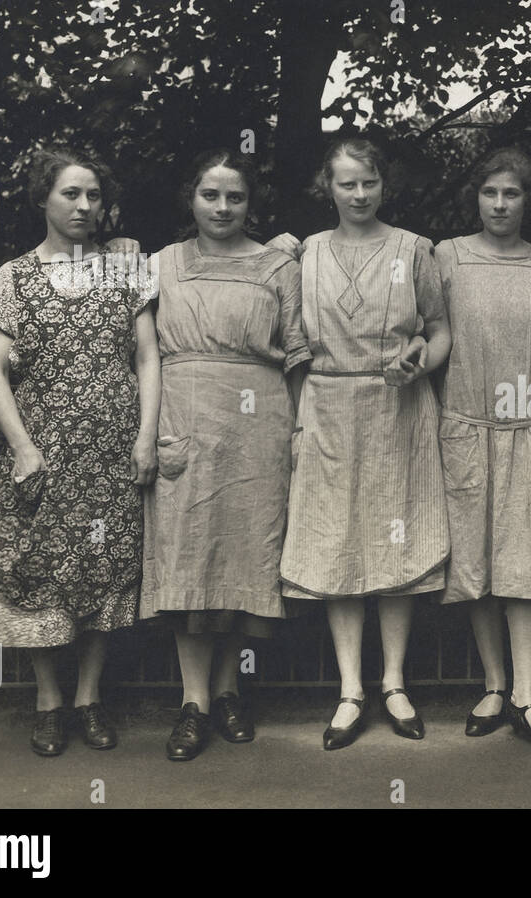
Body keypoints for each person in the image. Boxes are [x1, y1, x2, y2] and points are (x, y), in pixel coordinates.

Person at [0, 147, 159, 756]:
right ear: (43, 199)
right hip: (42, 456)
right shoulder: (14, 277)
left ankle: (89, 700)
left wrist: (146, 437)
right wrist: (23, 449)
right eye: (70, 194)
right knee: (36, 569)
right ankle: (48, 702)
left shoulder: (125, 270)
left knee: (105, 569)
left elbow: (147, 357)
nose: (83, 206)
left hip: (110, 455)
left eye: (93, 196)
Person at [279, 136, 452, 750]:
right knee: (338, 543)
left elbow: (440, 329)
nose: (358, 194)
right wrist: (297, 419)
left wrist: (421, 362)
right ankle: (350, 689)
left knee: (394, 540)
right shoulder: (303, 254)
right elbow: (287, 337)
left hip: (398, 408)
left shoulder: (413, 250)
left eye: (369, 183)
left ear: (384, 186)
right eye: (347, 183)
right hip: (327, 407)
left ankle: (394, 682)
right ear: (327, 187)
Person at [141, 149, 310, 760]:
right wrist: (148, 432)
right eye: (210, 195)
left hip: (258, 427)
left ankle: (229, 690)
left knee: (244, 556)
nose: (222, 207)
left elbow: (297, 354)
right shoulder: (160, 264)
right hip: (185, 419)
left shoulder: (279, 266)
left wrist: (300, 432)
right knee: (190, 557)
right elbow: (142, 354)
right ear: (191, 199)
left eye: (235, 197)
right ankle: (193, 704)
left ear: (250, 204)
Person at [436, 148, 531, 752]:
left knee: (529, 565)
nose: (499, 204)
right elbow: (419, 324)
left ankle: (527, 695)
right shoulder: (446, 257)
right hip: (467, 428)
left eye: (511, 194)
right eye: (490, 193)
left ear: (526, 200)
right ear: (476, 197)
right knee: (476, 564)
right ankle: (494, 684)